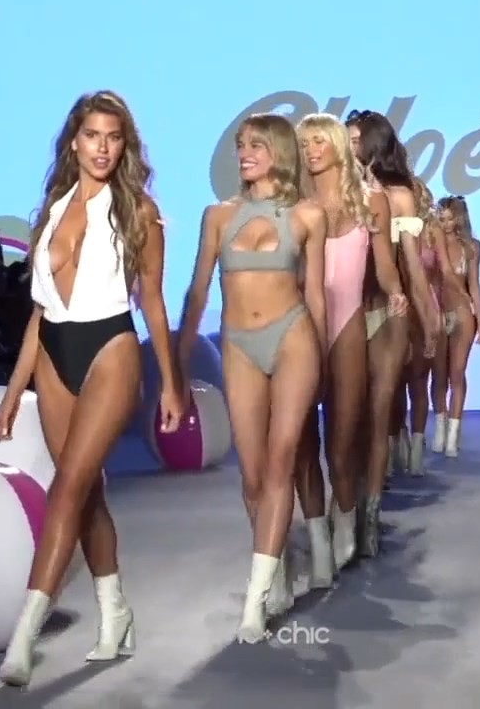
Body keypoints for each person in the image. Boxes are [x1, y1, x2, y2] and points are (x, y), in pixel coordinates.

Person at [0, 90, 183, 687]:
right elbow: (39, 310)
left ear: (124, 146)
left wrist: (171, 384)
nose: (103, 147)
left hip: (110, 347)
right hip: (54, 349)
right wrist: (12, 392)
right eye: (93, 136)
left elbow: (152, 302)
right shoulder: (52, 211)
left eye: (114, 137)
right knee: (86, 495)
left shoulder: (139, 211)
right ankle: (114, 610)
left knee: (67, 486)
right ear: (73, 143)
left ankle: (24, 636)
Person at [177, 112, 328, 641]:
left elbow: (314, 293)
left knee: (282, 459)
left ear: (279, 152)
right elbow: (198, 290)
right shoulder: (218, 215)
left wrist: (324, 362)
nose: (244, 153)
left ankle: (255, 598)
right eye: (241, 145)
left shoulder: (308, 215)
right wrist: (179, 357)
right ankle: (277, 565)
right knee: (252, 475)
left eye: (256, 145)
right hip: (238, 345)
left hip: (293, 338)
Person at [292, 113, 407, 584]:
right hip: (301, 325)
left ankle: (347, 526)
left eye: (319, 141)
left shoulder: (371, 200)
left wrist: (396, 292)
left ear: (339, 145)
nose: (311, 150)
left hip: (348, 323)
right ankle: (320, 534)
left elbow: (384, 266)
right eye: (304, 143)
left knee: (342, 441)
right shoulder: (295, 203)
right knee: (304, 442)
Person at [344, 109, 439, 556]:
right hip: (348, 313)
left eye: (355, 140)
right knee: (350, 418)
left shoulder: (399, 197)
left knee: (379, 414)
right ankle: (346, 510)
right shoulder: (332, 195)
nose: (348, 146)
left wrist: (430, 317)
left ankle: (369, 517)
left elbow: (412, 267)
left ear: (374, 145)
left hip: (390, 313)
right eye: (346, 139)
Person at [398, 179, 458, 475]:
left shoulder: (433, 230)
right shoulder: (396, 226)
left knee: (420, 380)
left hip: (427, 307)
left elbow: (445, 270)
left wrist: (460, 302)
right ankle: (396, 445)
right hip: (399, 308)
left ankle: (417, 450)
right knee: (394, 382)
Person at [428, 195, 480, 457]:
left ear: (459, 219)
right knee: (438, 374)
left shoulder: (471, 247)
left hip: (463, 314)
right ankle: (440, 430)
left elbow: (474, 285)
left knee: (457, 372)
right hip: (438, 312)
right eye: (441, 218)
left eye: (449, 218)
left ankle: (453, 435)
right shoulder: (431, 243)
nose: (445, 223)